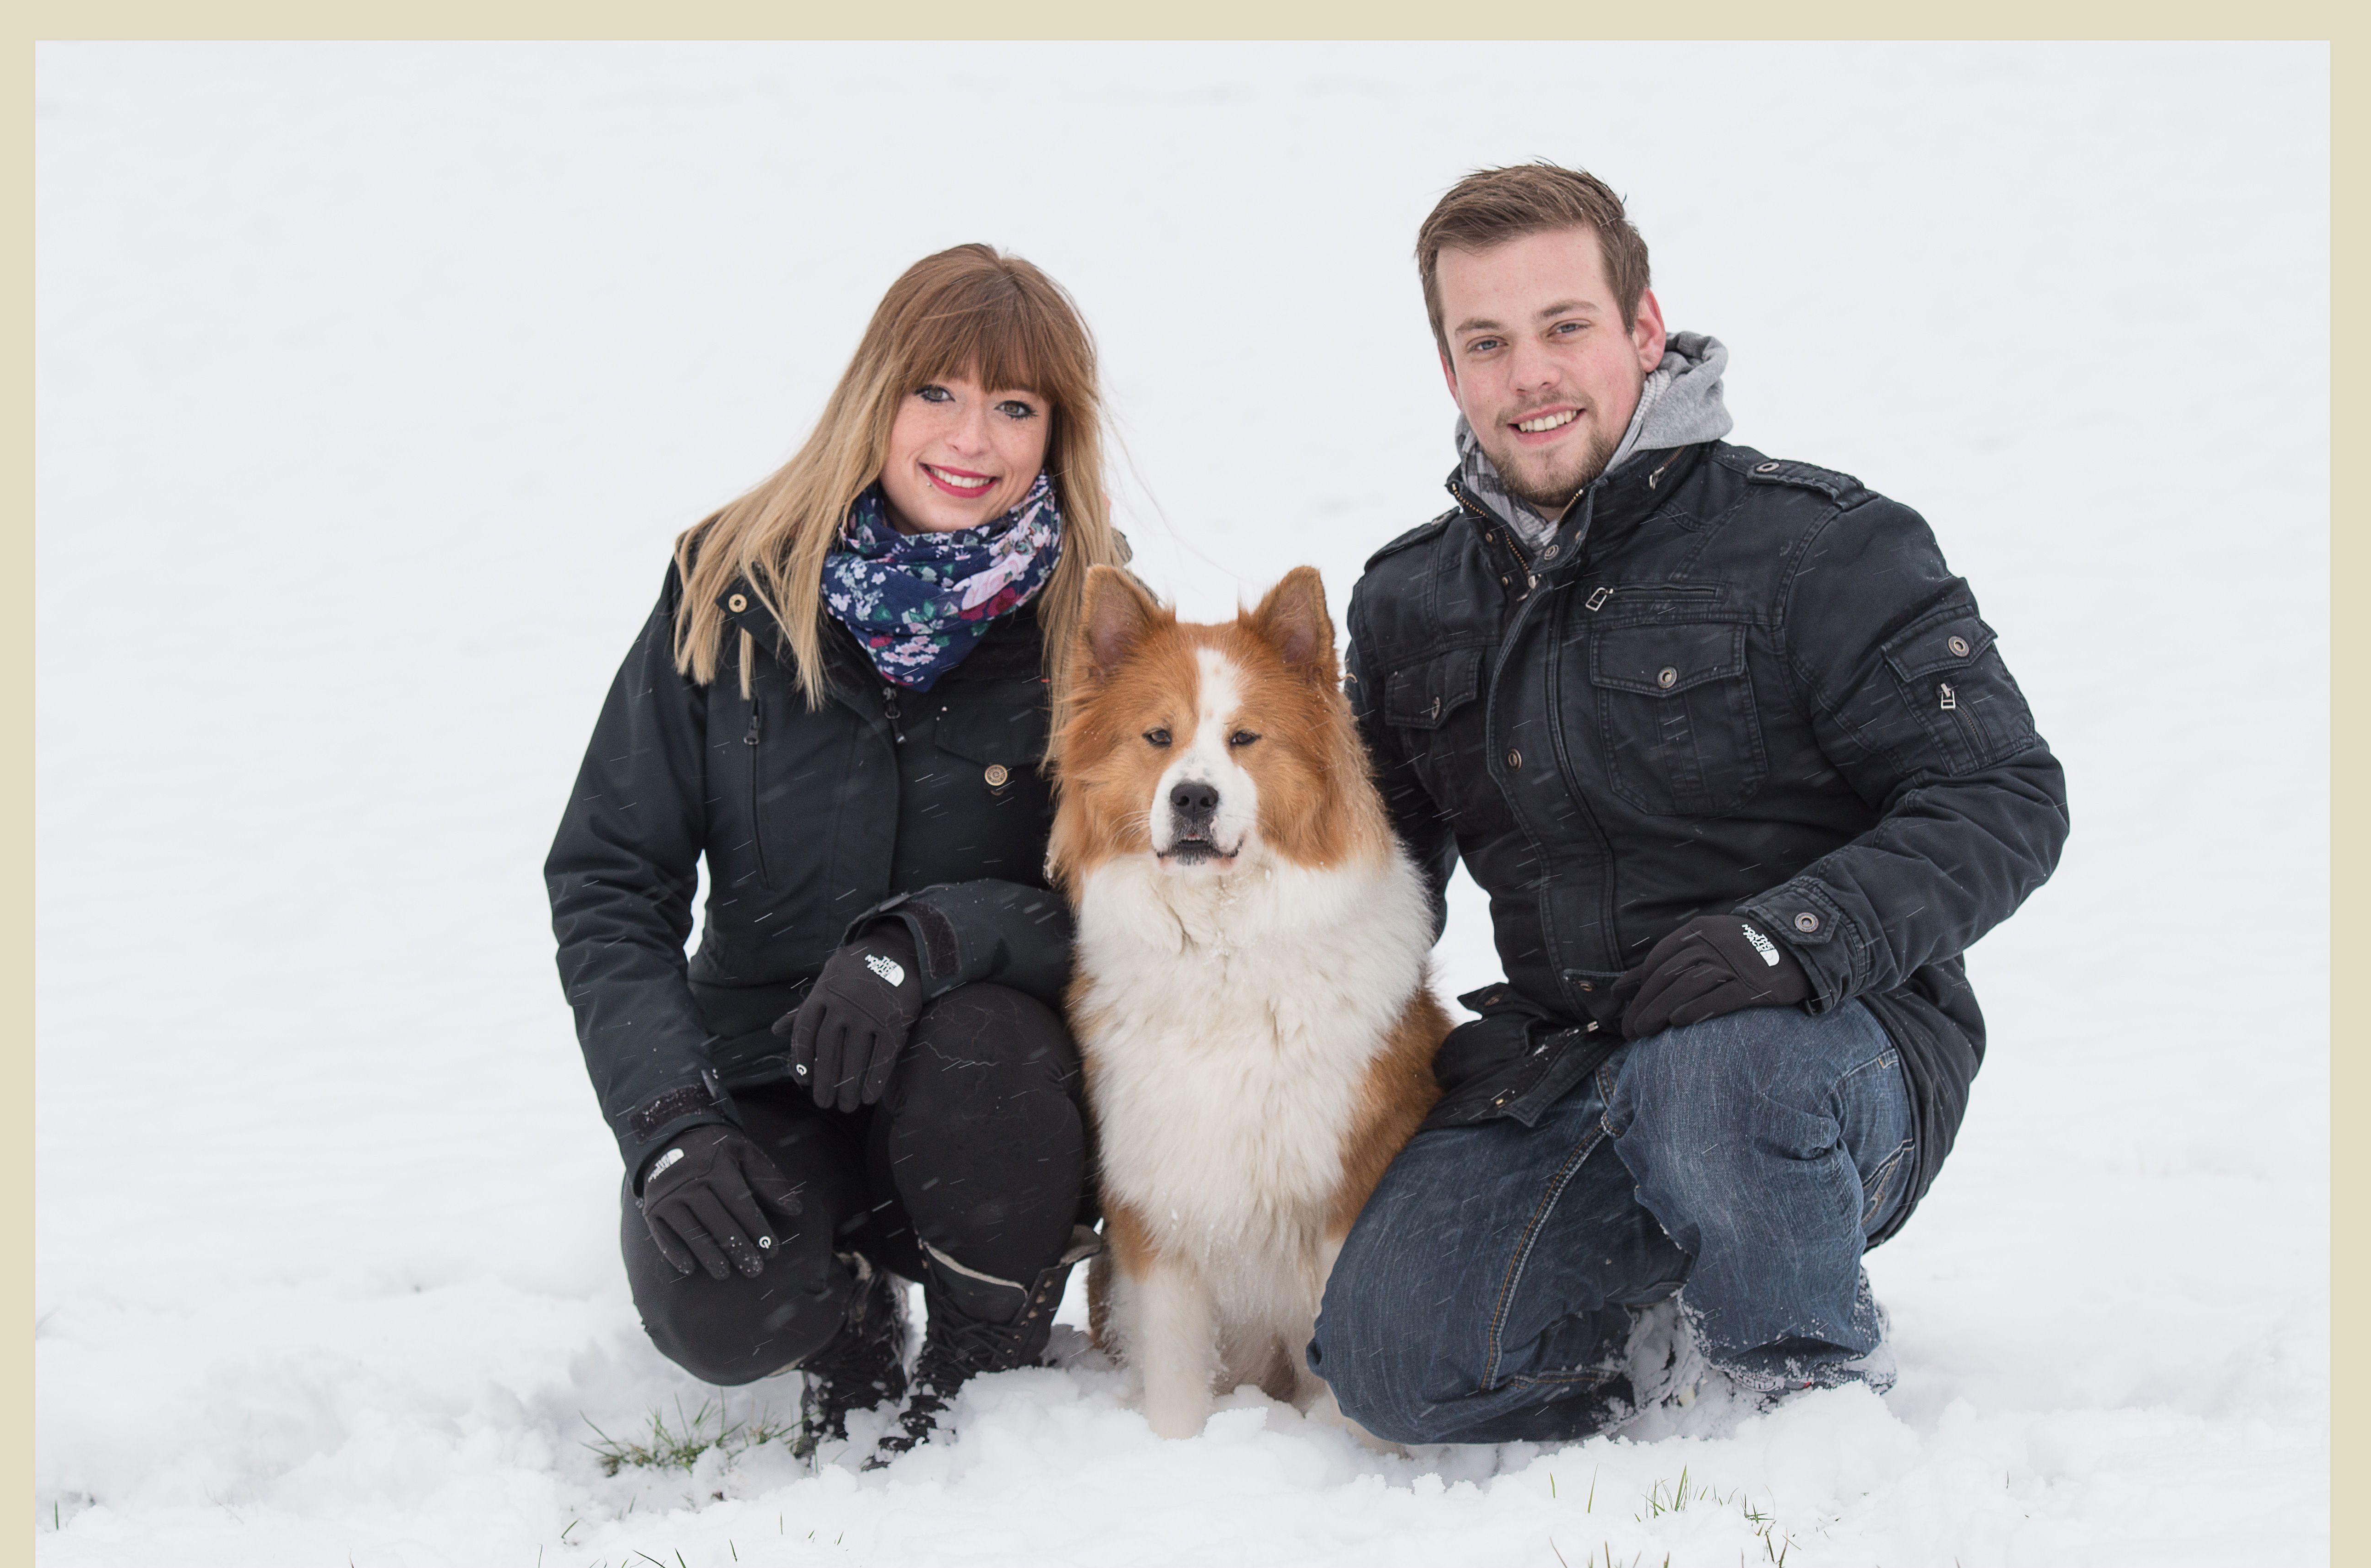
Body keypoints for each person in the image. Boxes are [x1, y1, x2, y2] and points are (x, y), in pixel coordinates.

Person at [1308, 164, 2070, 1442]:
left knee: (1717, 1081)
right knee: (1393, 1365)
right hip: (1577, 1061)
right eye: (1485, 343)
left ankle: (1799, 1398)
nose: (1529, 375)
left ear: (1644, 332)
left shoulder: (1821, 545)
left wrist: (1790, 936)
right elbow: (1372, 864)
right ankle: (1651, 1325)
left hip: (1830, 1048)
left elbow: (2004, 794)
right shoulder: (1409, 602)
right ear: (1451, 373)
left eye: (1565, 328)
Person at [545, 245, 1127, 1460]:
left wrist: (932, 941)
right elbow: (610, 875)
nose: (973, 437)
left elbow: (1143, 909)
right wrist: (670, 1121)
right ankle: (847, 1327)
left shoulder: (1098, 621)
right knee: (720, 1302)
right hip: (766, 1064)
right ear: (878, 396)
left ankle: (985, 1350)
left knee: (984, 1060)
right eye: (939, 392)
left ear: (1054, 433)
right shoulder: (728, 588)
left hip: (994, 1085)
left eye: (1015, 406)